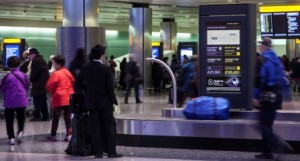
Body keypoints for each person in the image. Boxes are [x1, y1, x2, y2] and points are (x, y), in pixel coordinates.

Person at [77, 44, 122, 158]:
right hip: (105, 102)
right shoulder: (105, 69)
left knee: (95, 127)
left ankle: (98, 152)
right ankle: (111, 152)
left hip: (91, 102)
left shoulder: (85, 68)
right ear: (102, 55)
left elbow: (77, 84)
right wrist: (113, 101)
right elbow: (110, 87)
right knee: (109, 126)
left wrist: (86, 92)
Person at [253, 37, 293, 160]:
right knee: (267, 125)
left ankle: (278, 143)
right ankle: (267, 152)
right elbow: (283, 79)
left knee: (262, 125)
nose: (259, 47)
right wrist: (287, 97)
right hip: (276, 97)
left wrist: (255, 96)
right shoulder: (277, 60)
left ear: (264, 47)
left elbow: (260, 79)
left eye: (260, 45)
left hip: (266, 96)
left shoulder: (262, 60)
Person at [0, 56, 30, 145]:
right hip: (21, 100)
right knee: (21, 118)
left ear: (8, 65)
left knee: (9, 120)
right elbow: (27, 86)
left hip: (10, 101)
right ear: (19, 64)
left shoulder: (7, 77)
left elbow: (2, 88)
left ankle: (11, 137)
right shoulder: (24, 75)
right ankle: (20, 131)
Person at [46, 55, 74, 142]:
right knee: (67, 117)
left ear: (58, 63)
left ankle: (53, 135)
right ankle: (69, 135)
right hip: (69, 97)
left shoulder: (56, 74)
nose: (53, 64)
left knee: (56, 118)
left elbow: (49, 86)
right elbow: (73, 81)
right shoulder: (67, 72)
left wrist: (52, 91)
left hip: (59, 98)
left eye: (54, 62)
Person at [27, 48, 50, 121]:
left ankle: (37, 116)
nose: (29, 57)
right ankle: (45, 116)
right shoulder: (42, 60)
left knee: (37, 101)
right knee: (43, 102)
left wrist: (30, 80)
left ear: (33, 54)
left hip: (38, 85)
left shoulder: (35, 61)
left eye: (29, 55)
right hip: (43, 85)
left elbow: (34, 73)